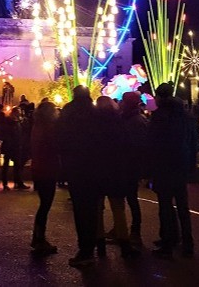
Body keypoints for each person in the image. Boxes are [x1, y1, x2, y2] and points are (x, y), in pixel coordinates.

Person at [148, 82, 199, 258]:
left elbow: (153, 143)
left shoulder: (159, 116)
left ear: (160, 97)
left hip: (164, 166)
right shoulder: (187, 116)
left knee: (165, 206)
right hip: (182, 165)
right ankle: (188, 243)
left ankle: (168, 244)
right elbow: (194, 142)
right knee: (183, 206)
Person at [57, 85, 103, 268]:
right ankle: (90, 247)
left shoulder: (69, 112)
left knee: (80, 209)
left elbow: (60, 138)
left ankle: (84, 250)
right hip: (94, 166)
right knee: (92, 209)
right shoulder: (96, 113)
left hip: (75, 166)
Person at [96, 95, 138, 259]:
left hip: (99, 171)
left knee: (98, 208)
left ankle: (99, 242)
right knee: (118, 208)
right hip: (115, 171)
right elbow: (126, 147)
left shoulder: (94, 124)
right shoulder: (119, 123)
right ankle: (124, 242)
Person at [29, 98, 60, 255]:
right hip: (47, 170)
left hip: (39, 169)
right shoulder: (48, 128)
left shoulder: (37, 126)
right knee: (45, 205)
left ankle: (38, 237)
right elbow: (54, 147)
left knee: (44, 204)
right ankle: (39, 239)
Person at [120, 91, 148, 246]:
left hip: (129, 165)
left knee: (130, 199)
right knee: (127, 198)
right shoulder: (136, 119)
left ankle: (135, 230)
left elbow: (139, 146)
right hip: (128, 165)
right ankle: (125, 227)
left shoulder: (135, 121)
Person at [0, 106, 28, 190]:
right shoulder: (9, 121)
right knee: (7, 164)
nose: (20, 112)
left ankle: (18, 182)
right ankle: (5, 183)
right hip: (10, 146)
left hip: (16, 145)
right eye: (18, 111)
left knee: (17, 164)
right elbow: (7, 133)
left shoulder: (18, 121)